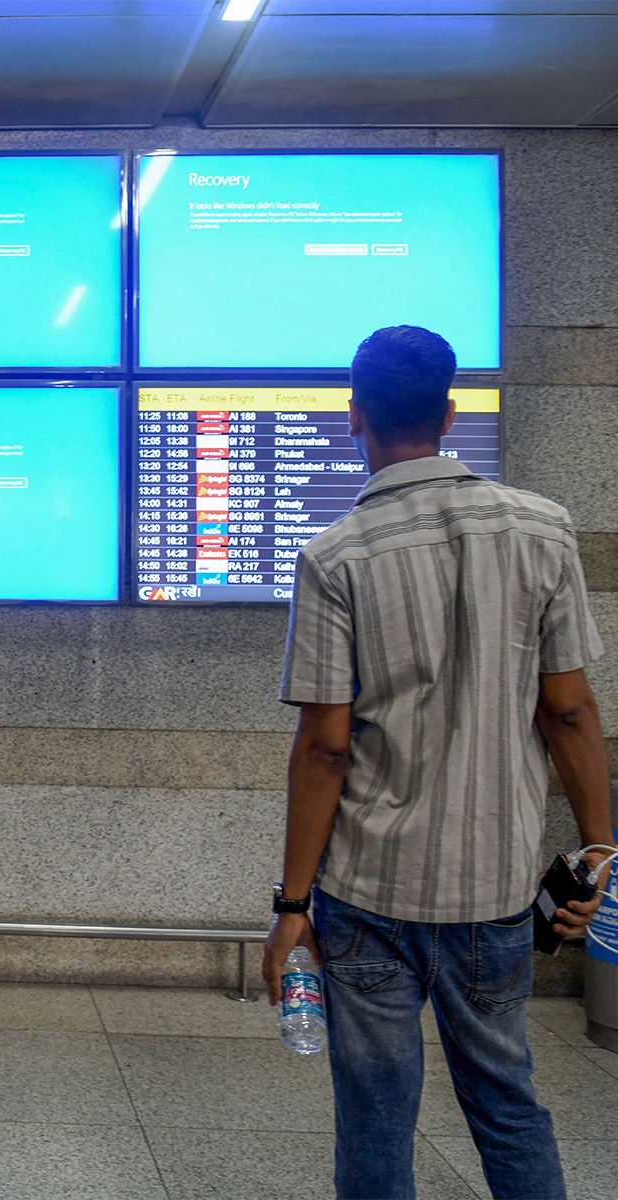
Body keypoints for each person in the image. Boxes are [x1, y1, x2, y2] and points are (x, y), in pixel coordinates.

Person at [263, 326, 611, 1200]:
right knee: (506, 1101)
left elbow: (326, 745)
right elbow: (567, 707)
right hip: (494, 890)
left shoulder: (335, 556)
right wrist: (600, 852)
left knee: (377, 1115)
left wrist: (292, 907)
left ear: (354, 418)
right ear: (452, 412)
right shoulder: (545, 530)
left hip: (371, 893)